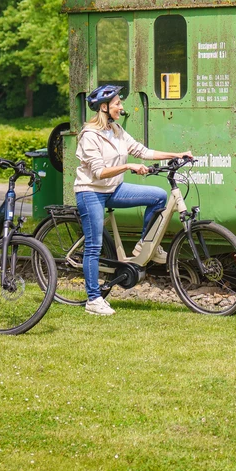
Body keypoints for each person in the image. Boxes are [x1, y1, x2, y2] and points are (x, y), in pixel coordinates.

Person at [73, 84, 194, 316]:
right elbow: (98, 172)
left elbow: (142, 151)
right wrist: (128, 166)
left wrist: (176, 154)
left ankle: (145, 245)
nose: (121, 107)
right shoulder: (89, 136)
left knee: (158, 196)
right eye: (118, 103)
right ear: (104, 107)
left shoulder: (116, 130)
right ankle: (93, 299)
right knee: (94, 246)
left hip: (113, 189)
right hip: (90, 192)